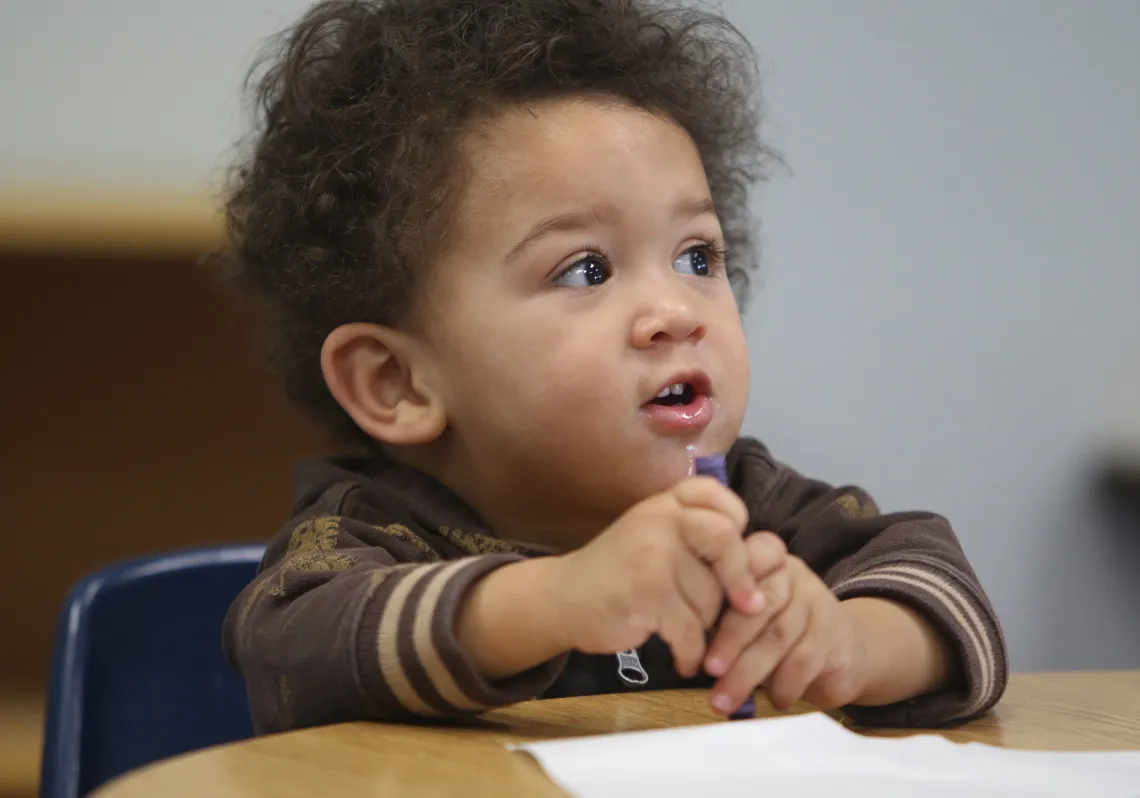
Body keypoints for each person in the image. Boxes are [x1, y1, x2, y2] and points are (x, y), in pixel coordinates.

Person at [218, 0, 1006, 734]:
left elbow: (939, 584)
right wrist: (561, 599)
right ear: (398, 382)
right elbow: (302, 649)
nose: (677, 311)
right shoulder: (357, 536)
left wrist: (850, 641)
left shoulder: (752, 508)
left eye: (696, 254)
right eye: (587, 270)